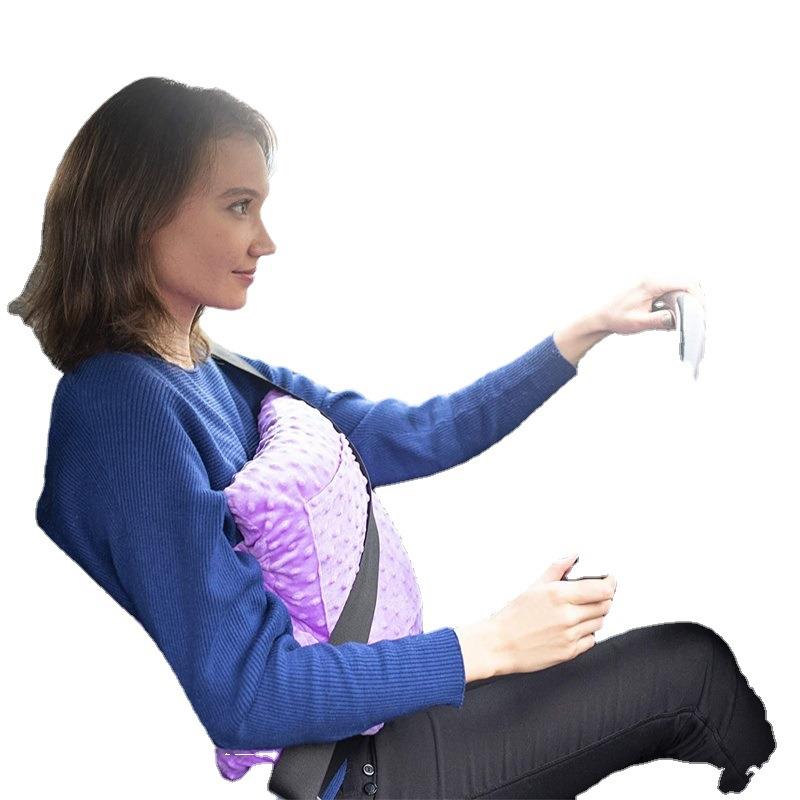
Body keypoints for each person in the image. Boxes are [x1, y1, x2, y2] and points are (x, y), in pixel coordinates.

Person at [7, 76, 775, 799]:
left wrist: (584, 333)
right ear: (140, 213)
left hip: (380, 719)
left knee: (690, 668)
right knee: (694, 673)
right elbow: (248, 696)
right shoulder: (119, 408)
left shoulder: (214, 369)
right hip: (364, 770)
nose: (265, 240)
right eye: (239, 206)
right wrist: (493, 644)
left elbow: (414, 433)